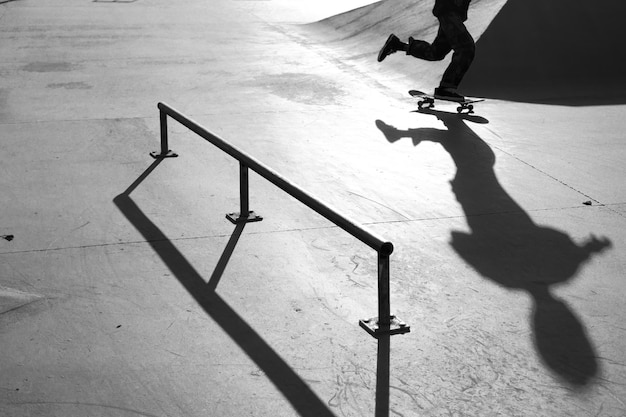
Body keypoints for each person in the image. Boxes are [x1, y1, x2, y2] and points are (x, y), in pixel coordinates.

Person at [377, 0, 475, 102]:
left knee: (436, 52)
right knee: (466, 49)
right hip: (449, 10)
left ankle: (398, 45)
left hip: (453, 12)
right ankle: (446, 88)